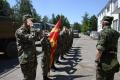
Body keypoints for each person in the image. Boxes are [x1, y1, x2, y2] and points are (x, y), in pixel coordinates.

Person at [15, 14, 39, 80]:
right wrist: (32, 27)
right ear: (25, 21)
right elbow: (32, 37)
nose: (32, 22)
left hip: (32, 58)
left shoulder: (29, 30)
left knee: (33, 77)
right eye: (30, 20)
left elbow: (37, 37)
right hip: (25, 60)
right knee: (27, 78)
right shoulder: (20, 31)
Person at [95, 16, 120, 80]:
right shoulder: (116, 33)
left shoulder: (103, 32)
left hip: (104, 62)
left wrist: (97, 60)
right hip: (113, 61)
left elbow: (100, 48)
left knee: (100, 77)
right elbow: (116, 46)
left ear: (103, 23)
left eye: (101, 23)